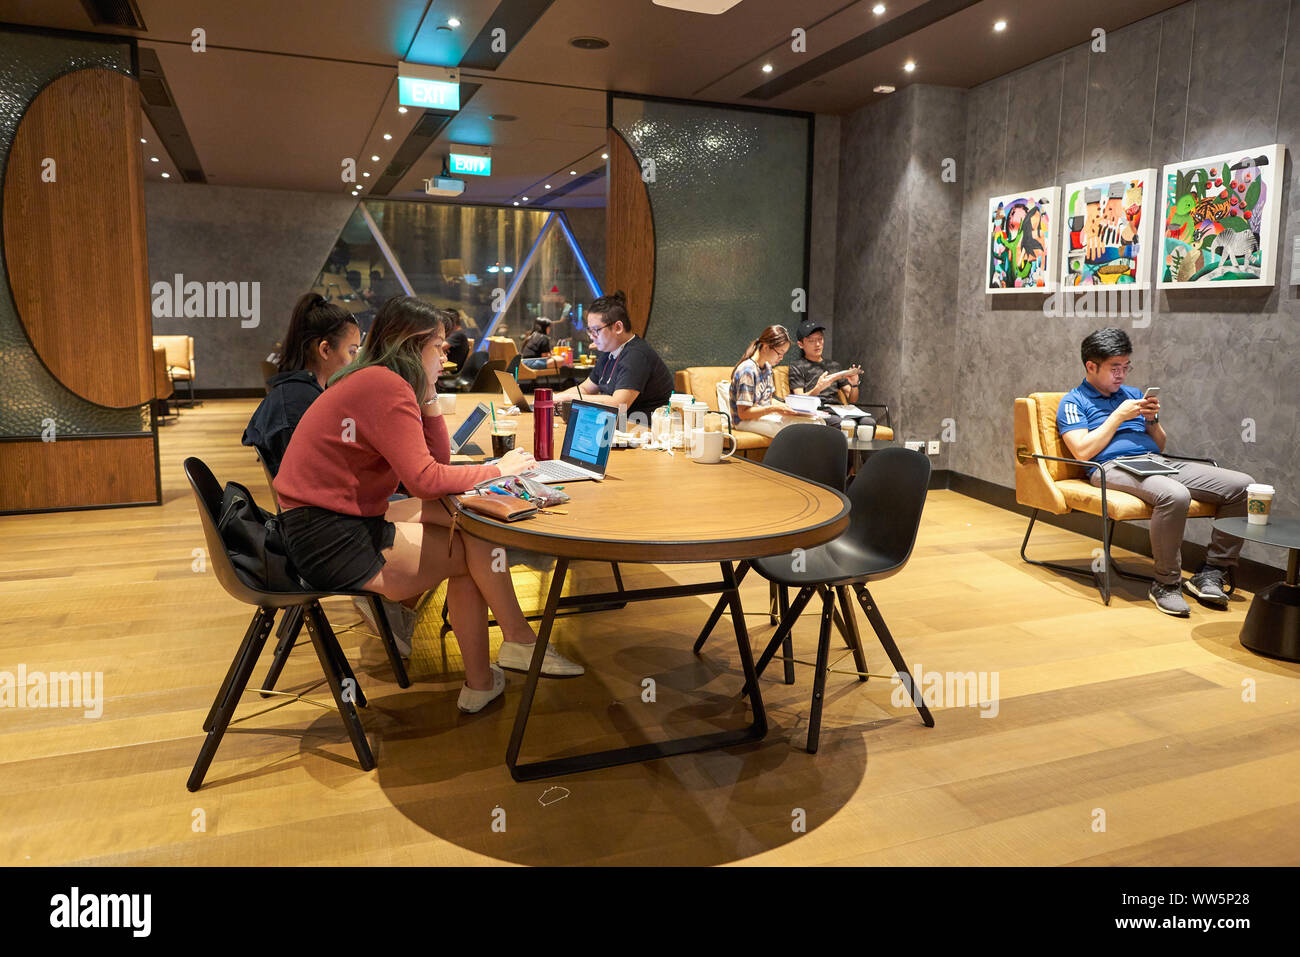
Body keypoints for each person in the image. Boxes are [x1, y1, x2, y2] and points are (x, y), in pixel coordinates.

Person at [274, 296, 583, 712]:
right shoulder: (383, 386)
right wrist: (499, 469)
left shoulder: (378, 380)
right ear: (410, 345)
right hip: (330, 537)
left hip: (331, 518)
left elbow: (435, 464)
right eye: (438, 345)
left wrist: (430, 393)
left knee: (469, 524)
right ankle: (512, 648)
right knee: (472, 547)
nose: (447, 353)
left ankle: (495, 665)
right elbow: (424, 481)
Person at [1057, 327, 1255, 618]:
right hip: (1109, 467)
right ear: (1091, 366)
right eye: (1115, 368)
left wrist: (1151, 420)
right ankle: (1166, 583)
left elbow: (1160, 443)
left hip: (1153, 461)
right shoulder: (1073, 402)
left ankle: (1212, 572)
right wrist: (1117, 417)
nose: (1122, 375)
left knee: (1243, 486)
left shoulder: (1133, 394)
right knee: (1174, 495)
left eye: (1126, 367)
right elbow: (1083, 452)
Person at [242, 292, 359, 478]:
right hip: (316, 506)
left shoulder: (301, 393)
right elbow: (312, 480)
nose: (355, 360)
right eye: (352, 351)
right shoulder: (297, 404)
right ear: (325, 349)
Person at [555, 291, 673, 421]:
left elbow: (618, 404)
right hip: (619, 428)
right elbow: (585, 389)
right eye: (589, 330)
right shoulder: (609, 352)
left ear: (618, 327)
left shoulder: (636, 355)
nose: (591, 336)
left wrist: (570, 399)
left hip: (643, 431)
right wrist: (554, 399)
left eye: (596, 330)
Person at [729, 325, 820, 438]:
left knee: (817, 423)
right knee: (793, 432)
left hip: (763, 416)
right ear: (766, 347)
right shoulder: (747, 370)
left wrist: (789, 408)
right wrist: (774, 409)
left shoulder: (767, 367)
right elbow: (743, 413)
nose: (781, 358)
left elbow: (769, 400)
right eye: (779, 353)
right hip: (743, 422)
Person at [788, 319, 864, 405]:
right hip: (816, 409)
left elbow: (852, 400)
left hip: (836, 409)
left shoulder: (834, 366)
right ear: (800, 344)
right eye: (811, 341)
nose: (817, 344)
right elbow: (800, 400)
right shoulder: (797, 366)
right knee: (836, 419)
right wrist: (818, 388)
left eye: (820, 339)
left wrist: (854, 384)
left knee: (868, 419)